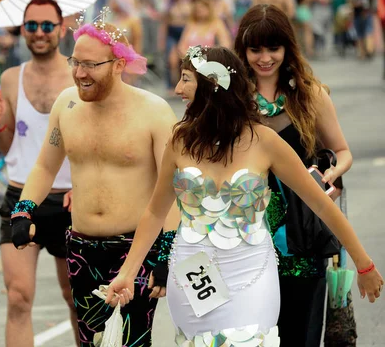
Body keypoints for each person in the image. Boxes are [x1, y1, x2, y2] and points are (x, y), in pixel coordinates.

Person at [105, 45, 383, 345]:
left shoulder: (265, 141)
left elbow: (321, 205)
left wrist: (363, 263)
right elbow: (155, 212)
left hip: (251, 276)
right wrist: (127, 272)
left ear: (212, 85)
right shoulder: (180, 141)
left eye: (185, 78)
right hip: (194, 274)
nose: (176, 88)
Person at [8, 13, 180, 347]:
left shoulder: (154, 111)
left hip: (136, 249)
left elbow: (172, 187)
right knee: (93, 343)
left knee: (128, 342)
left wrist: (166, 252)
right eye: (75, 61)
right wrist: (24, 209)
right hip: (81, 248)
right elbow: (45, 166)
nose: (79, 73)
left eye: (90, 65)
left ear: (118, 64)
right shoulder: (66, 104)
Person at [233, 3, 354, 346]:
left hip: (303, 235)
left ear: (287, 48)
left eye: (273, 48)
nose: (264, 57)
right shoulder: (232, 99)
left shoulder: (310, 95)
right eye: (255, 49)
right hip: (243, 236)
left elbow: (343, 152)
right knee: (250, 336)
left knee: (301, 334)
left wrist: (328, 175)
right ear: (243, 50)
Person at [0, 0, 78, 347]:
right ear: (22, 30)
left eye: (47, 26)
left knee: (76, 298)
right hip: (20, 196)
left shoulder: (78, 72)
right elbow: (5, 148)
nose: (39, 33)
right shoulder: (9, 78)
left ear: (61, 29)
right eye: (31, 26)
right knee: (18, 297)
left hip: (70, 199)